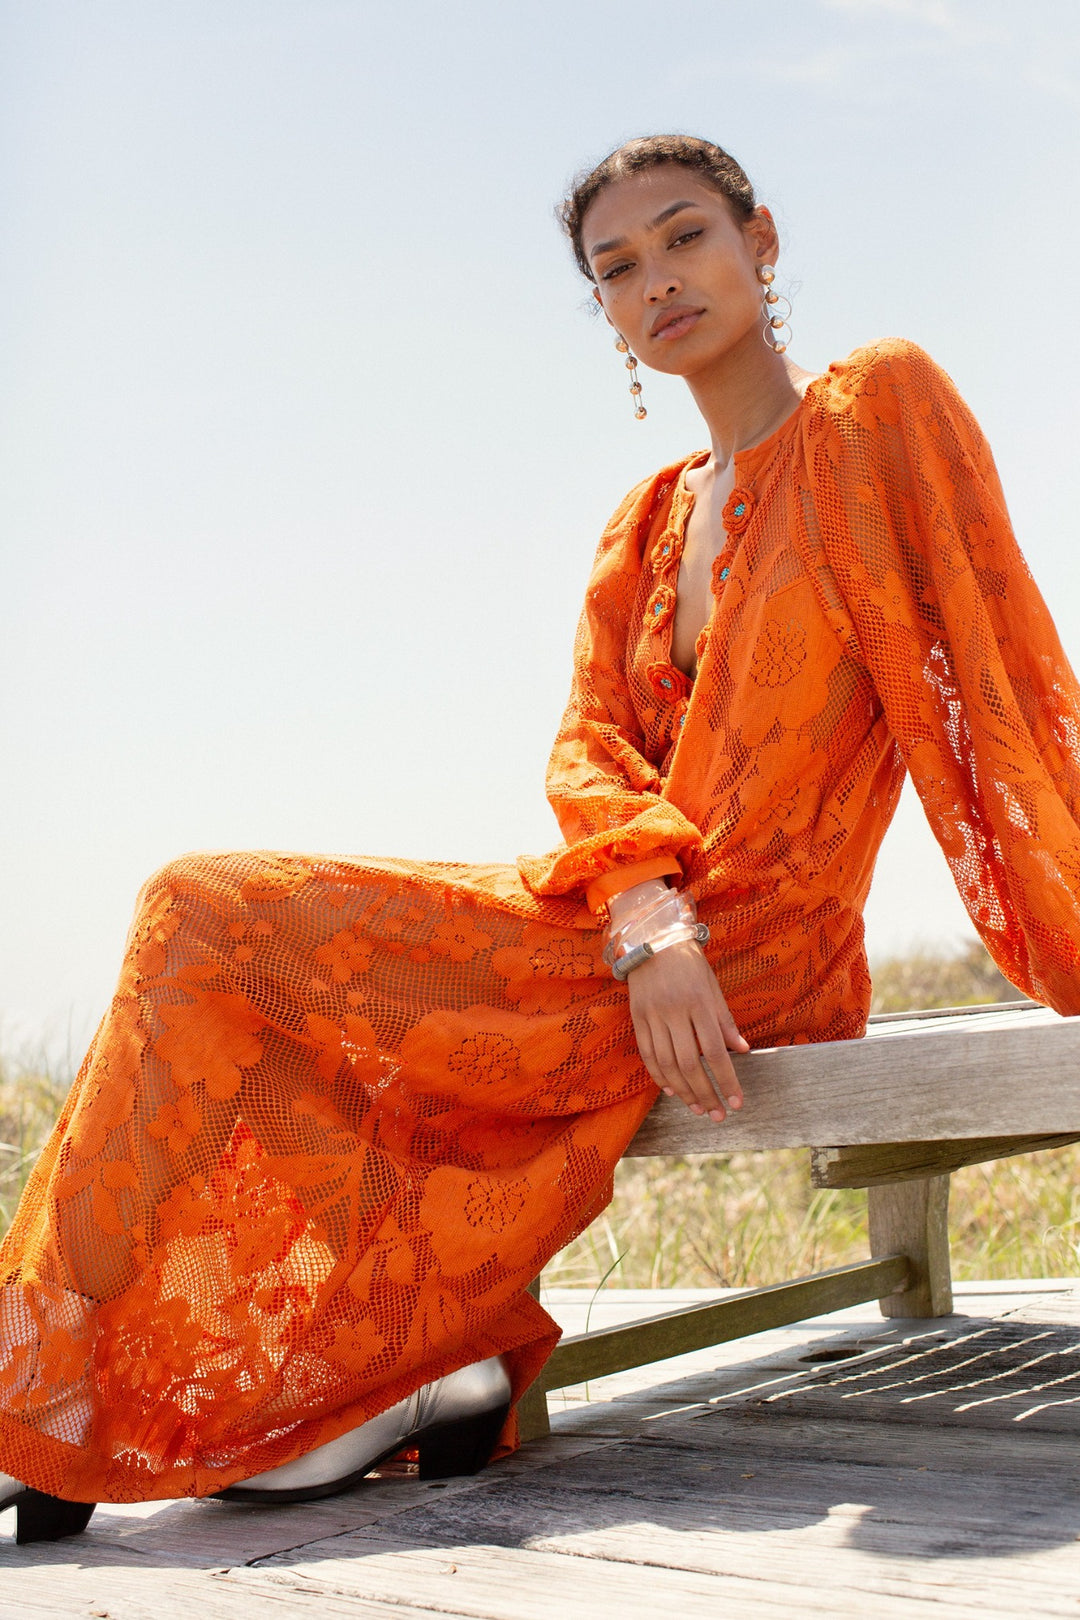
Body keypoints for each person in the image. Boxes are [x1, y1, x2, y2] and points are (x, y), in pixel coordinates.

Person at [3, 133, 1080, 1545]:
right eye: (616, 269)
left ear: (762, 243)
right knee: (205, 917)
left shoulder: (876, 415)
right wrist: (648, 916)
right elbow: (588, 752)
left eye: (685, 237)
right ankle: (122, 1387)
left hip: (769, 958)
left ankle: (111, 1394)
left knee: (209, 913)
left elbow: (1003, 689)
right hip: (630, 940)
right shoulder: (644, 526)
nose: (657, 282)